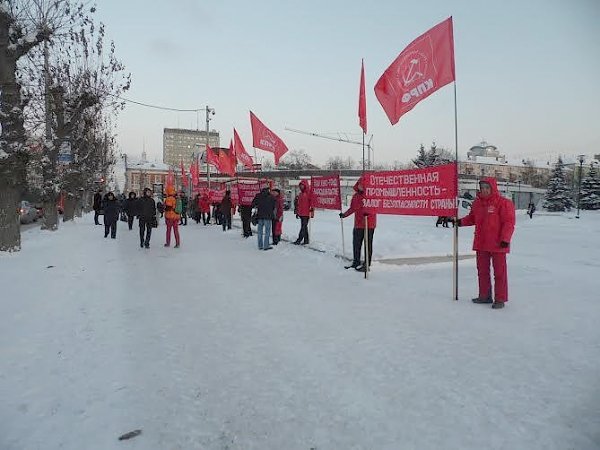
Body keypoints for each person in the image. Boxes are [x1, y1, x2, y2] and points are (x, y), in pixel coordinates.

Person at [457, 178, 516, 309]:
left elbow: (509, 222)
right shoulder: (477, 204)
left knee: (499, 273)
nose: (484, 190)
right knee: (482, 271)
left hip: (498, 244)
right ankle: (484, 295)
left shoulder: (503, 203)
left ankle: (500, 299)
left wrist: (505, 239)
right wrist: (460, 222)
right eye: (482, 187)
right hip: (481, 243)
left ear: (493, 188)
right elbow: (472, 218)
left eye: (487, 188)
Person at [340, 178, 377, 272]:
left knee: (367, 245)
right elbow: (352, 208)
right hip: (358, 224)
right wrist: (344, 215)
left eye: (362, 184)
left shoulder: (371, 195)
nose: (361, 186)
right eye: (359, 184)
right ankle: (356, 262)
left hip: (369, 224)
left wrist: (368, 213)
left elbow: (375, 207)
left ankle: (366, 264)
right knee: (356, 244)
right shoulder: (356, 196)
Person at [252, 184, 276, 250]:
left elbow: (253, 204)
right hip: (268, 216)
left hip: (260, 216)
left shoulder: (258, 196)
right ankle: (266, 246)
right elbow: (274, 206)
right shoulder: (271, 197)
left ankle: (260, 246)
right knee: (267, 232)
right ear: (268, 189)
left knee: (260, 232)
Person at [293, 179, 314, 245]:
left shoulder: (309, 193)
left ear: (305, 185)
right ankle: (306, 240)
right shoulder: (300, 194)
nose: (301, 187)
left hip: (307, 213)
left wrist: (312, 211)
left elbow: (312, 203)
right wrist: (297, 213)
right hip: (301, 213)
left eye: (302, 185)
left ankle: (299, 240)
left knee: (303, 227)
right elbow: (299, 204)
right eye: (300, 186)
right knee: (304, 227)